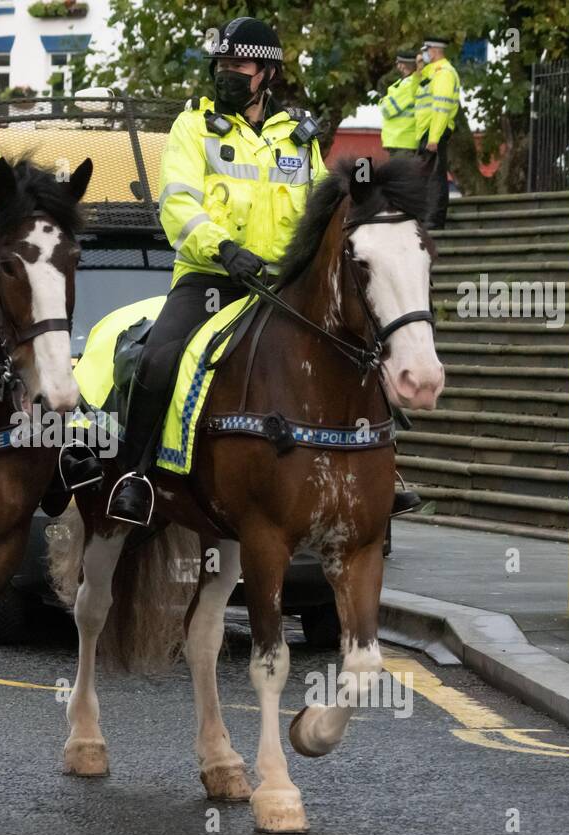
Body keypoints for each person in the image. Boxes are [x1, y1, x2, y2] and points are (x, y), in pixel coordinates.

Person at [105, 16, 328, 525]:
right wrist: (224, 248)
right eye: (222, 63)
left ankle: (375, 469)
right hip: (211, 279)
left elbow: (326, 209)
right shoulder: (193, 126)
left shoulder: (299, 135)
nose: (227, 72)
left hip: (283, 286)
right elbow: (177, 203)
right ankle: (134, 475)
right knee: (159, 357)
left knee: (358, 346)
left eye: (239, 64)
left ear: (267, 73)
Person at [415, 36, 460, 229]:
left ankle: (434, 219)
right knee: (425, 175)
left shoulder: (444, 73)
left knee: (435, 176)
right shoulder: (430, 71)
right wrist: (418, 71)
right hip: (426, 130)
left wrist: (434, 137)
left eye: (426, 49)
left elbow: (441, 107)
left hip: (435, 131)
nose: (423, 53)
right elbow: (416, 93)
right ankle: (427, 216)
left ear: (434, 50)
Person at [380, 50, 420, 156]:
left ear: (402, 65)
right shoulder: (406, 83)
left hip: (402, 141)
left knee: (402, 173)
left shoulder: (408, 85)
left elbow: (386, 110)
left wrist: (383, 99)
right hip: (404, 141)